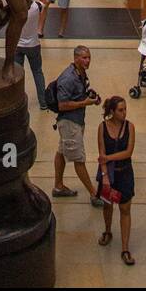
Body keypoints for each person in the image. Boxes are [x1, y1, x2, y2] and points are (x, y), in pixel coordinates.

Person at [52, 44, 101, 202]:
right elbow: (62, 105)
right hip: (69, 123)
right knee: (79, 159)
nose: (87, 61)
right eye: (84, 58)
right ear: (75, 58)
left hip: (75, 121)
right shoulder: (69, 78)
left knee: (61, 152)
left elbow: (78, 95)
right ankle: (93, 194)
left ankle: (58, 186)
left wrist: (90, 98)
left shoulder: (80, 73)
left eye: (89, 57)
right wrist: (85, 103)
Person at [96, 96, 136, 265]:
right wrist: (105, 176)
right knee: (107, 205)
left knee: (125, 209)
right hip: (110, 175)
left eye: (125, 109)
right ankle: (107, 230)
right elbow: (101, 152)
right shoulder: (102, 127)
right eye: (120, 110)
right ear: (112, 111)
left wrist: (108, 158)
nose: (124, 112)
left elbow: (128, 152)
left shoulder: (130, 127)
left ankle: (125, 247)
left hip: (125, 173)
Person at [14, 0, 48, 110]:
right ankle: (43, 102)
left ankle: (18, 100)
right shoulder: (36, 7)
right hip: (33, 45)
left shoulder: (15, 9)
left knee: (18, 73)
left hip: (17, 45)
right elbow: (45, 3)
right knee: (37, 72)